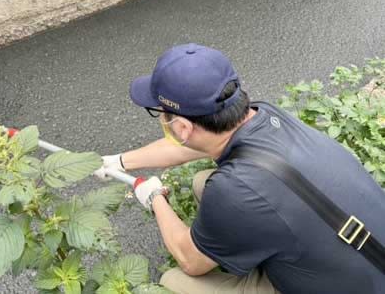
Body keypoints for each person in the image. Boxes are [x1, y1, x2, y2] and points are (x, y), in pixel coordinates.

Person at [94, 43, 385, 294]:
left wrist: (155, 196)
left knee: (175, 280)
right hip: (367, 257)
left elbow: (188, 260)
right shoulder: (265, 115)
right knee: (201, 183)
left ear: (182, 126)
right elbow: (186, 146)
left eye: (161, 113)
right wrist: (120, 161)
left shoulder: (235, 190)